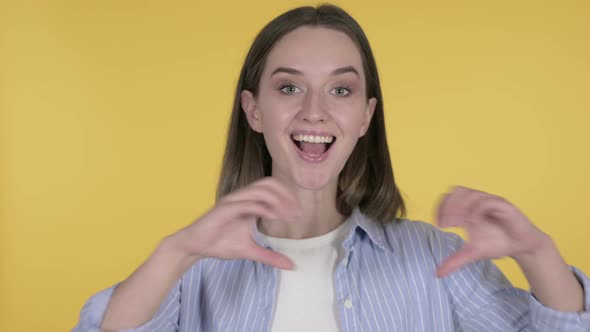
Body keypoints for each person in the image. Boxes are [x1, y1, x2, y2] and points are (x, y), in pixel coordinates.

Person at [73, 4, 589, 332]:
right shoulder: (197, 269)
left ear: (365, 116)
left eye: (340, 89)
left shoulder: (434, 258)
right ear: (253, 110)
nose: (314, 111)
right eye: (289, 87)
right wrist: (178, 250)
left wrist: (536, 251)